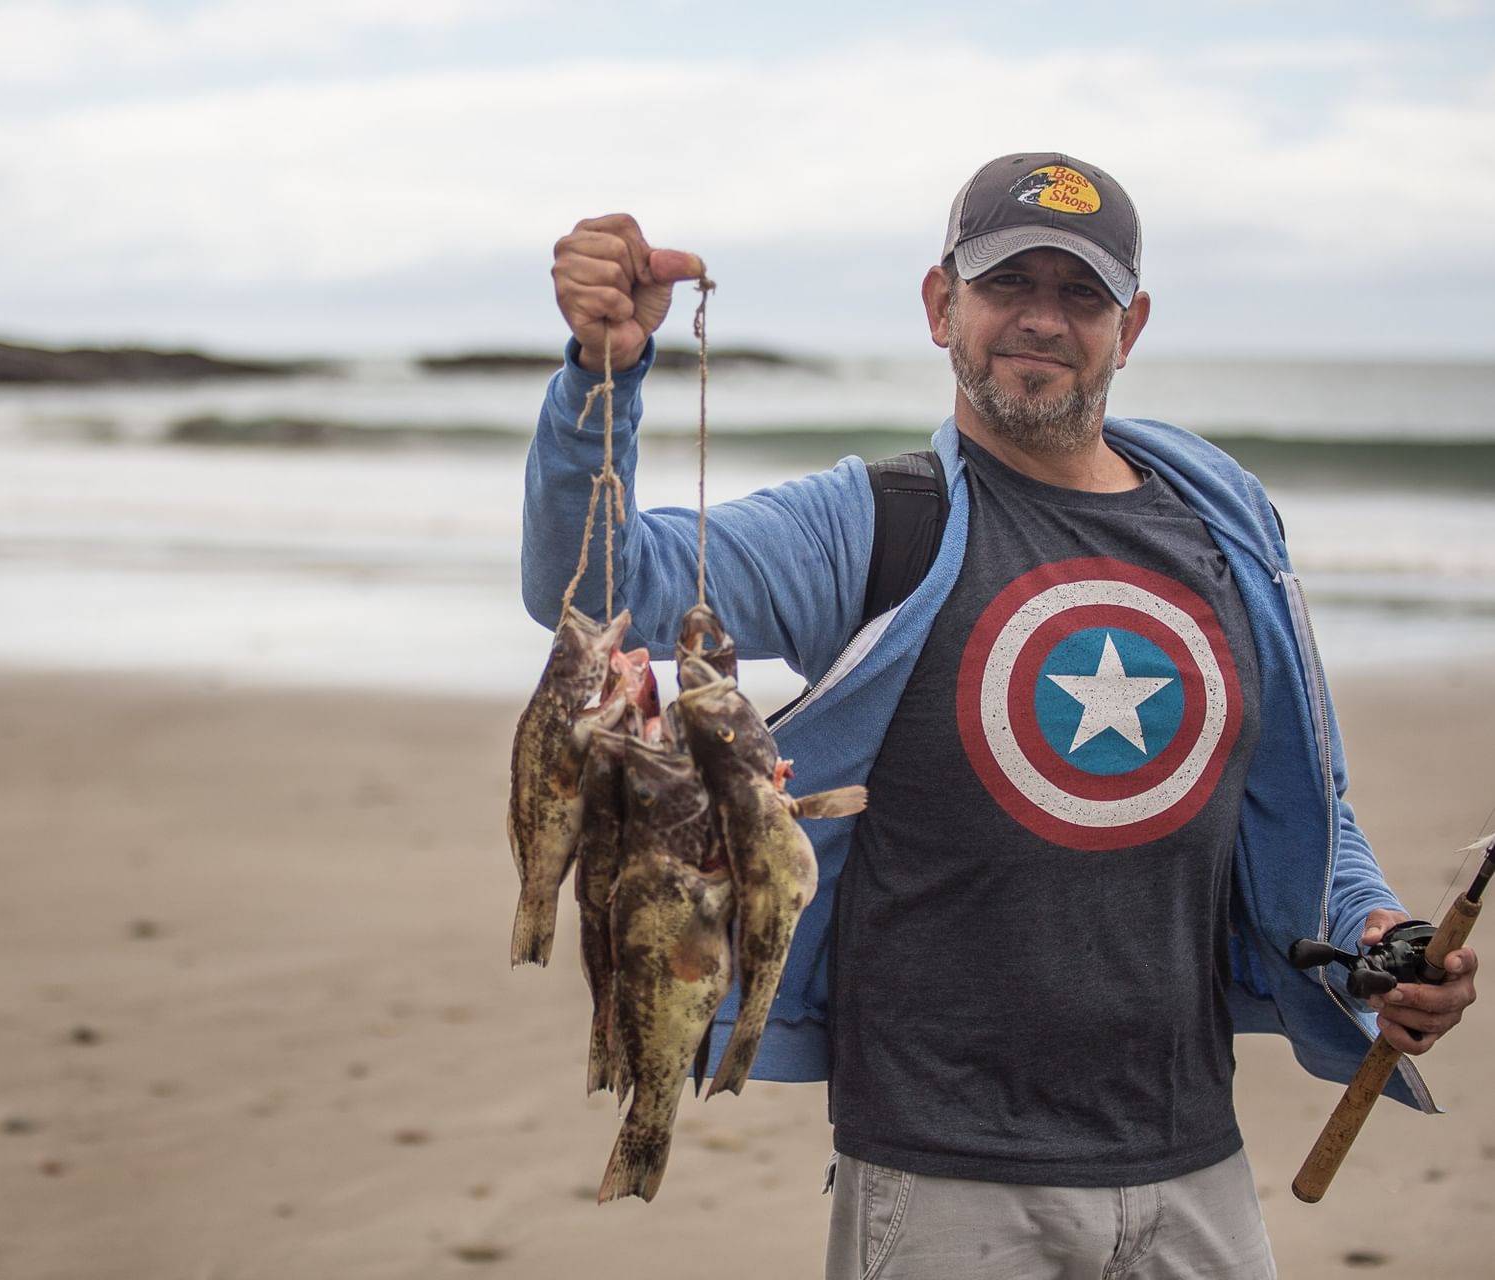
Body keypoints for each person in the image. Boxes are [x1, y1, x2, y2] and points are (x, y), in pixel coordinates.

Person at [520, 152, 1478, 1279]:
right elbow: (593, 591)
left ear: (1134, 322)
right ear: (941, 304)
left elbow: (1298, 798)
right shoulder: (870, 526)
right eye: (1006, 284)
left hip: (1195, 1158)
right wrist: (604, 376)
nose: (1041, 320)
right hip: (942, 1177)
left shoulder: (1226, 529)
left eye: (1080, 293)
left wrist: (1374, 932)